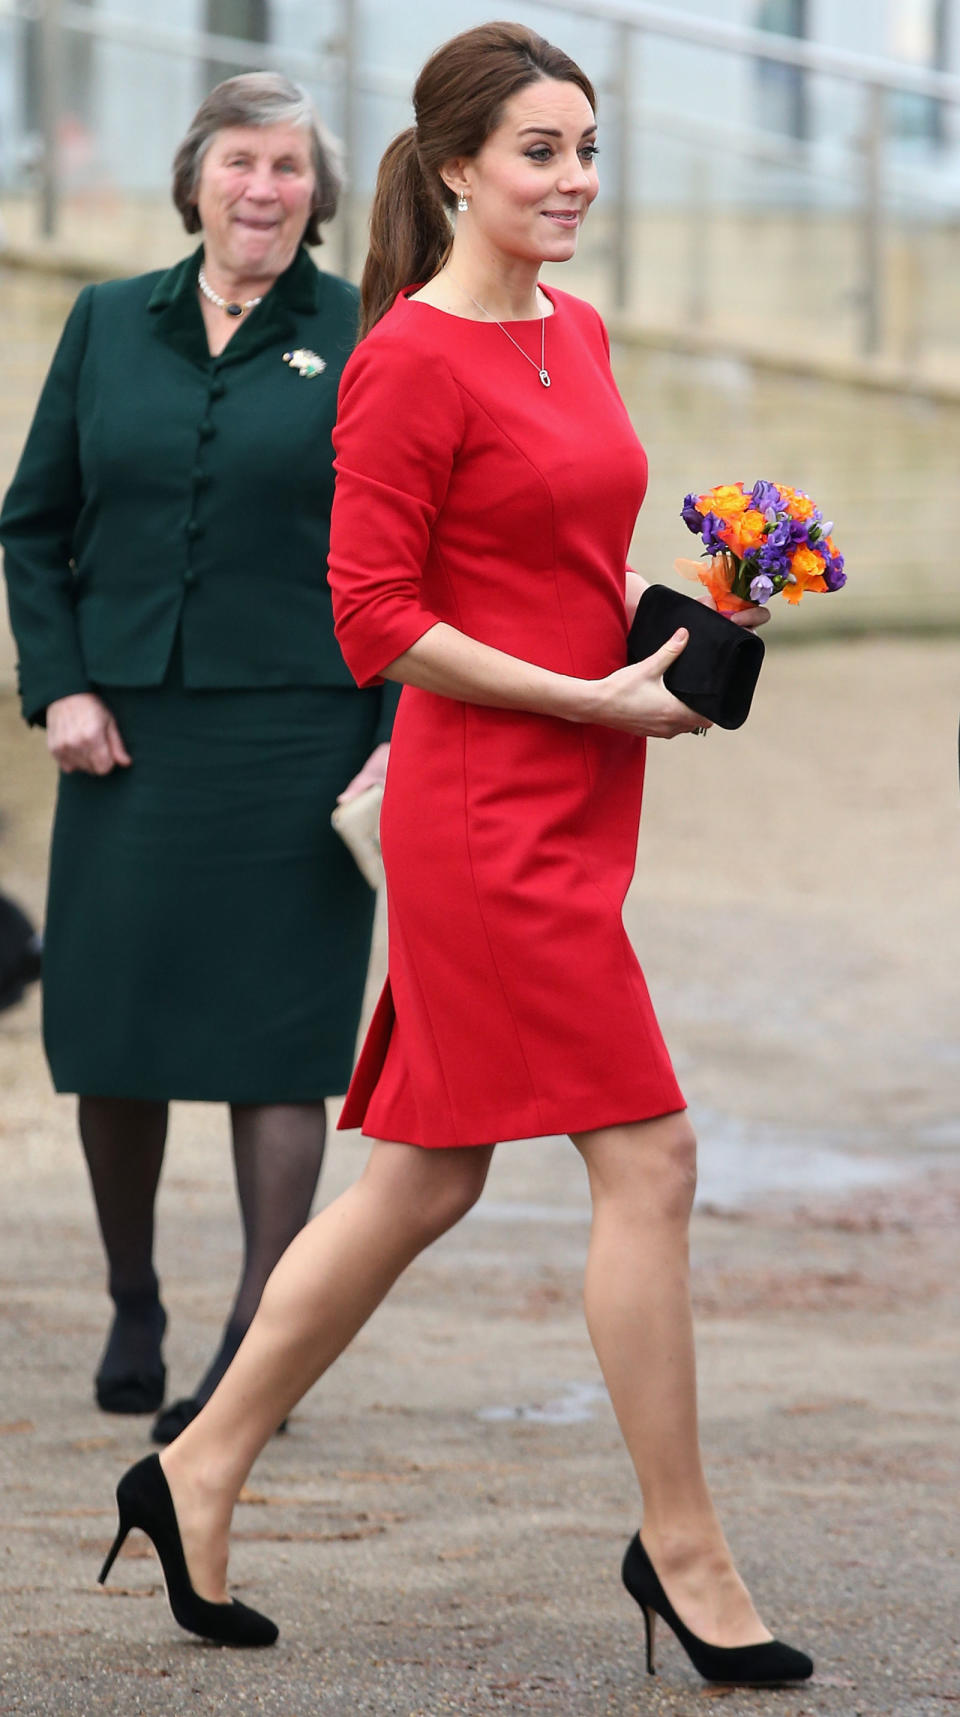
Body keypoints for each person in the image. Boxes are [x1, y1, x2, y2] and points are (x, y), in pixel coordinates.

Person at [99, 25, 813, 1686]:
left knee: (427, 1171)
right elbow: (376, 618)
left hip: (577, 781)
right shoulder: (404, 358)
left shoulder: (583, 328)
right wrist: (581, 694)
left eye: (585, 149)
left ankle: (194, 1462)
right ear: (454, 170)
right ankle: (683, 1546)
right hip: (484, 809)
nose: (573, 182)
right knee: (652, 1158)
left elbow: (556, 552)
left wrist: (702, 621)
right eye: (540, 154)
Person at [0, 73, 396, 1444]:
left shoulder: (370, 330)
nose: (264, 189)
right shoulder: (109, 321)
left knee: (274, 1043)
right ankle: (131, 1301)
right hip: (124, 737)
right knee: (114, 1029)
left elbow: (421, 554)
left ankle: (249, 1337)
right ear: (197, 178)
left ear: (318, 196)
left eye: (290, 167)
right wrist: (56, 686)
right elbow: (32, 522)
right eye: (242, 161)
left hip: (306, 735)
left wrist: (397, 739)